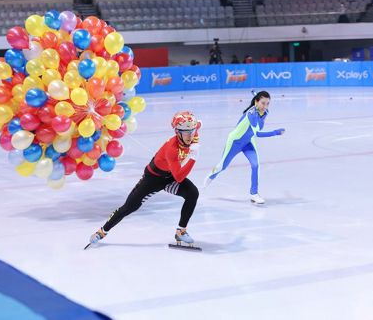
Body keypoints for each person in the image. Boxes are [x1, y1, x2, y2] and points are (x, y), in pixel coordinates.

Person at [89, 111, 201, 247]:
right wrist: (193, 157)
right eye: (186, 132)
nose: (190, 135)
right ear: (177, 132)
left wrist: (196, 127)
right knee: (129, 207)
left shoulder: (193, 133)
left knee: (192, 193)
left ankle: (181, 231)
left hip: (169, 177)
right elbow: (179, 176)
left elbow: (197, 125)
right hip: (153, 179)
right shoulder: (171, 148)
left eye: (192, 131)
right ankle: (102, 231)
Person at [204, 91, 285, 204]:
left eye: (267, 103)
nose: (265, 106)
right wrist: (275, 132)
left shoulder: (265, 111)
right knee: (222, 166)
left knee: (255, 165)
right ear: (256, 102)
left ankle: (254, 194)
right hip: (235, 142)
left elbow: (255, 129)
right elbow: (258, 134)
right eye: (263, 103)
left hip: (248, 142)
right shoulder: (251, 114)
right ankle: (210, 177)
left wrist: (262, 107)